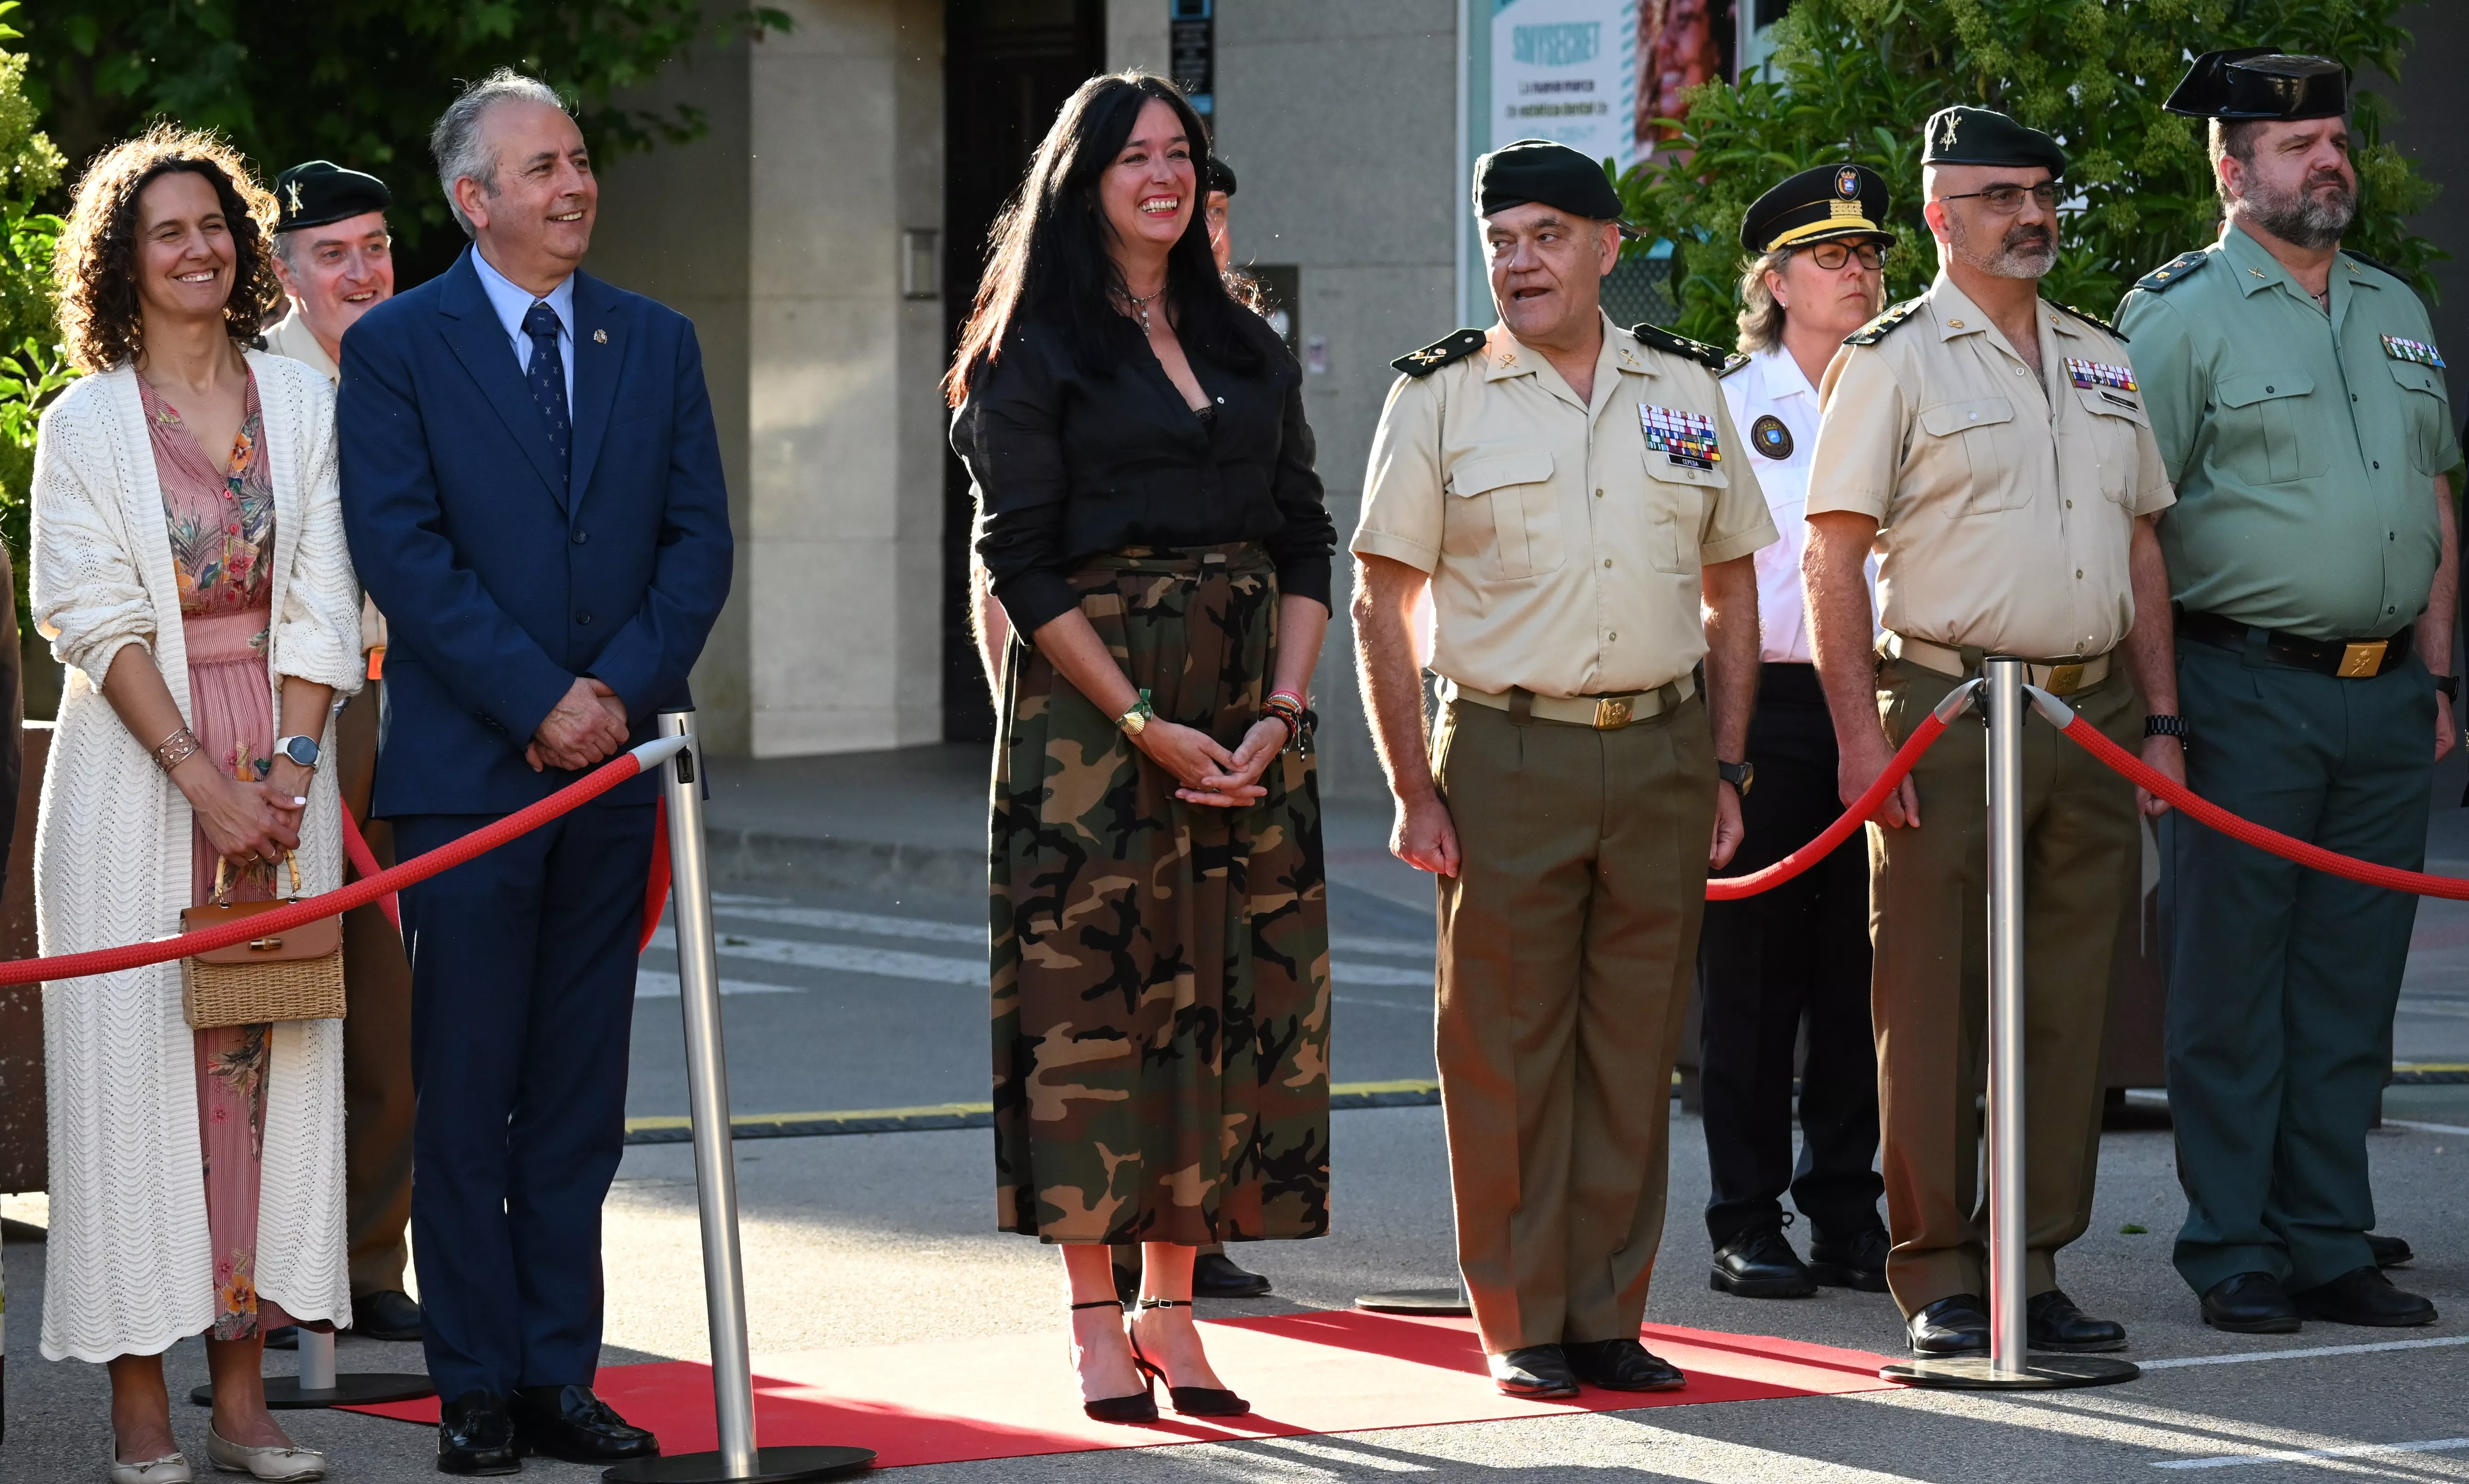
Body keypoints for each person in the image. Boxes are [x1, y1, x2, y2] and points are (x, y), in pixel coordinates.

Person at [338, 70, 732, 1474]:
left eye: (579, 159)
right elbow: (404, 551)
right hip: (470, 778)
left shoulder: (656, 339)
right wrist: (536, 699)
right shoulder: (399, 348)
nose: (575, 184)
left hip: (612, 770)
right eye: (543, 167)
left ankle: (563, 1375)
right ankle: (475, 1385)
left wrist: (612, 697)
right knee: (467, 1083)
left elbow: (699, 548)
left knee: (577, 1094)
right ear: (473, 199)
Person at [1354, 137, 1773, 1399]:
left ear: (1605, 247)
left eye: (1545, 236)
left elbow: (1733, 588)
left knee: (1633, 1046)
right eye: (1501, 240)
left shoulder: (1683, 386)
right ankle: (1522, 1317)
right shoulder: (1438, 393)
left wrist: (1726, 763)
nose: (1518, 262)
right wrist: (1410, 788)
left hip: (1659, 749)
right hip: (1505, 748)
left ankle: (1607, 1313)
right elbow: (1382, 599)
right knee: (1503, 1047)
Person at [949, 71, 1334, 1426]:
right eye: (1134, 158)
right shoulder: (1030, 349)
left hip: (1246, 709)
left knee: (1225, 1008)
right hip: (1095, 722)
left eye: (1181, 154)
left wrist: (1280, 713)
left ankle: (1176, 1308)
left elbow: (1304, 534)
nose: (1163, 177)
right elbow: (1021, 557)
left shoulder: (1244, 344)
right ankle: (1095, 1318)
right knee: (1094, 1021)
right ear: (1083, 180)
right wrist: (1137, 720)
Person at [1803, 106, 2174, 1358]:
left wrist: (2161, 722)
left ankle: (2034, 1259)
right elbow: (1835, 554)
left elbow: (2140, 544)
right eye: (2003, 195)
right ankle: (1938, 1273)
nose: (2034, 213)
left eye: (2042, 191)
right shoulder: (1893, 356)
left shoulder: (2102, 354)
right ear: (1939, 218)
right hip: (1948, 709)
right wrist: (1861, 736)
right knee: (1933, 1000)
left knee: (2072, 1002)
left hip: (2091, 712)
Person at [32, 125, 364, 1484]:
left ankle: (243, 1404)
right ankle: (139, 1408)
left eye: (215, 225)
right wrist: (199, 781)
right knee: (133, 1089)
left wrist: (284, 773)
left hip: (284, 765)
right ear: (123, 257)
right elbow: (87, 609)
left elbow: (331, 588)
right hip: (136, 774)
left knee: (265, 1072)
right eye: (165, 231)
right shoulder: (84, 421)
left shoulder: (305, 405)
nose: (197, 248)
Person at [2117, 50, 2455, 1333]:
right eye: (2298, 143)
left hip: (2380, 700)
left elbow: (2432, 498)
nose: (2329, 161)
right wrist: (2157, 715)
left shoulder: (2392, 303)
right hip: (2238, 686)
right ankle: (2232, 1244)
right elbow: (2134, 526)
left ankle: (2328, 1237)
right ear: (2231, 164)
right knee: (2231, 982)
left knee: (2351, 986)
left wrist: (2436, 671)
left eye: (2335, 139)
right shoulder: (2180, 315)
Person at [1699, 163, 1894, 1301]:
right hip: (1762, 705)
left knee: (1859, 970)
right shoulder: (1725, 400)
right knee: (1754, 978)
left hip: (1875, 704)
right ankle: (1745, 1213)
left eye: (1868, 254)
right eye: (1833, 256)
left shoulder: (1897, 389)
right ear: (1774, 281)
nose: (1860, 270)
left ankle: (1845, 1208)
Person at [259, 157, 423, 1352]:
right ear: (283, 270)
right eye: (334, 252)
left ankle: (369, 1265)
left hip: (397, 701)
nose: (362, 270)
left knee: (385, 1013)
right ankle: (260, 1275)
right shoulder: (249, 384)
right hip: (278, 716)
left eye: (374, 247)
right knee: (266, 998)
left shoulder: (414, 360)